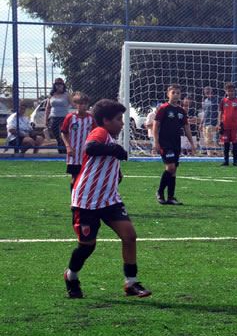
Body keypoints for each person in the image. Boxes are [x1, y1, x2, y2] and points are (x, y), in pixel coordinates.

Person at [64, 99, 151, 300]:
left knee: (129, 236)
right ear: (106, 120)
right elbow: (90, 147)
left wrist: (115, 174)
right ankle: (71, 276)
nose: (122, 123)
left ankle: (131, 282)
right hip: (86, 201)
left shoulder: (110, 138)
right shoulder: (100, 132)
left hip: (109, 200)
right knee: (87, 246)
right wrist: (115, 151)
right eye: (119, 119)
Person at [153, 84, 198, 205]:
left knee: (173, 171)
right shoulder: (163, 108)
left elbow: (187, 128)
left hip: (176, 143)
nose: (176, 95)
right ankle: (159, 192)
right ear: (168, 94)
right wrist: (156, 142)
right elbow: (156, 126)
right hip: (164, 142)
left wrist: (192, 144)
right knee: (171, 167)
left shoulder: (181, 111)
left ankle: (171, 197)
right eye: (173, 92)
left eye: (178, 93)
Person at [60, 92, 94, 188]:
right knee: (74, 178)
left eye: (85, 104)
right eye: (80, 103)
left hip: (86, 154)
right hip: (74, 154)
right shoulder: (70, 117)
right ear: (75, 104)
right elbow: (63, 132)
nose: (83, 106)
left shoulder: (91, 118)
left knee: (86, 178)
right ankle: (74, 200)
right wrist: (68, 147)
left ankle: (84, 199)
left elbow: (95, 133)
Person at [218, 83, 237, 166]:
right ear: (226, 91)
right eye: (229, 91)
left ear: (235, 91)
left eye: (232, 91)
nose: (231, 93)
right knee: (226, 144)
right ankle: (226, 161)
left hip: (235, 127)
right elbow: (220, 112)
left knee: (235, 144)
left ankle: (235, 161)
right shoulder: (223, 101)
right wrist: (219, 123)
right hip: (225, 126)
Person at [46, 78, 71, 155]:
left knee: (63, 135)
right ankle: (60, 151)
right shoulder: (51, 95)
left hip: (64, 117)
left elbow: (73, 104)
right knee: (57, 136)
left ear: (63, 85)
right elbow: (48, 107)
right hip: (54, 117)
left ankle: (64, 151)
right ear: (54, 85)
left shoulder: (66, 95)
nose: (59, 85)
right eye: (57, 84)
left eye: (60, 84)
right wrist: (46, 119)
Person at [201, 85, 219, 153]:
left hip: (212, 122)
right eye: (206, 91)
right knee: (206, 141)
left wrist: (218, 123)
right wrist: (201, 123)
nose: (207, 92)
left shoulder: (216, 100)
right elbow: (204, 113)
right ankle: (210, 154)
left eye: (208, 91)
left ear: (212, 91)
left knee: (209, 140)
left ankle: (220, 152)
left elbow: (219, 112)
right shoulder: (205, 101)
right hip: (205, 123)